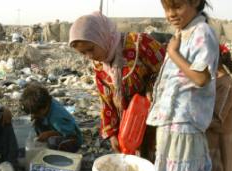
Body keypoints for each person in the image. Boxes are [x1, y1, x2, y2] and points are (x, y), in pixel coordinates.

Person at [143, 0, 219, 171]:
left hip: (184, 123)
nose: (170, 14)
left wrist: (173, 53)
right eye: (166, 8)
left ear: (195, 2)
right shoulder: (185, 31)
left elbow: (201, 78)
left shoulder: (202, 32)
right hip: (172, 120)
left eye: (176, 6)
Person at [69, 12, 165, 160]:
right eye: (83, 53)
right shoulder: (100, 65)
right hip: (129, 126)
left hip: (156, 117)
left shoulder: (139, 43)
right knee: (135, 166)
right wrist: (112, 133)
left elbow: (168, 69)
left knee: (158, 160)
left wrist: (150, 87)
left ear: (101, 37)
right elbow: (106, 100)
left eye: (90, 49)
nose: (89, 56)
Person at [206, 44, 232, 171]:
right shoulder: (216, 79)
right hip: (213, 135)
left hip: (220, 138)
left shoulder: (224, 85)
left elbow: (217, 117)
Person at [20, 83, 83, 153]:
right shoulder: (47, 102)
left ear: (44, 107)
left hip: (71, 140)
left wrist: (49, 134)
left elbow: (71, 135)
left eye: (36, 113)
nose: (34, 115)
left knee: (52, 141)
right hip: (55, 128)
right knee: (37, 122)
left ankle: (58, 154)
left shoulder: (57, 117)